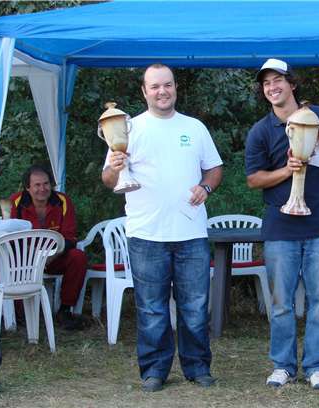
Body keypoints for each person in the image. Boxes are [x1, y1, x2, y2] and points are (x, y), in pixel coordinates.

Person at [102, 63, 223, 392]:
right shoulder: (128, 128)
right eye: (154, 86)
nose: (162, 91)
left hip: (191, 234)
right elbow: (109, 180)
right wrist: (113, 167)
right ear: (144, 91)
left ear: (175, 88)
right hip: (146, 235)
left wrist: (206, 188)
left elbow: (214, 169)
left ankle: (197, 367)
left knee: (195, 307)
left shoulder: (195, 127)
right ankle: (154, 370)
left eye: (167, 85)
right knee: (152, 308)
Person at [245, 58, 319, 390]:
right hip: (280, 229)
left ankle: (317, 366)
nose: (273, 87)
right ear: (263, 92)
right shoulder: (261, 130)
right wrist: (286, 171)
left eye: (278, 80)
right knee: (281, 303)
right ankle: (283, 365)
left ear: (292, 84)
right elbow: (253, 179)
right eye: (266, 84)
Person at [10, 164, 87, 331]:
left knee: (78, 257)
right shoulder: (15, 202)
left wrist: (52, 254)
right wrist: (31, 255)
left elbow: (70, 237)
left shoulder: (63, 201)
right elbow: (11, 236)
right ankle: (18, 313)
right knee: (6, 260)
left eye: (46, 184)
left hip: (56, 256)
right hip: (26, 260)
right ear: (28, 188)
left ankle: (65, 310)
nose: (42, 189)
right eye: (37, 185)